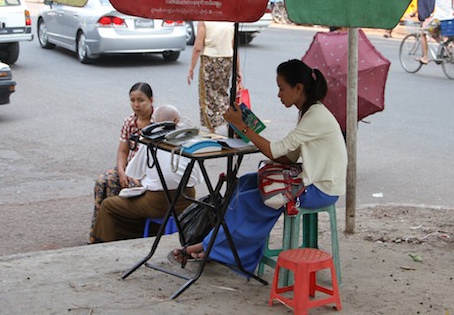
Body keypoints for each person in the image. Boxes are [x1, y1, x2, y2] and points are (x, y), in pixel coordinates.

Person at [174, 59, 347, 272]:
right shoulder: (308, 113)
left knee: (250, 199)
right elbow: (288, 157)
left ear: (299, 88)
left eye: (282, 88)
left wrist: (242, 126)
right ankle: (222, 246)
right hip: (310, 181)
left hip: (321, 189)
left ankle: (213, 247)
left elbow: (275, 152)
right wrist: (253, 137)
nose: (279, 94)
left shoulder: (315, 116)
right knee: (245, 183)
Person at [90, 105, 202, 242]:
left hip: (158, 202)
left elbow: (134, 173)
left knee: (109, 205)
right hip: (188, 199)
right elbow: (198, 178)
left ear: (154, 123)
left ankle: (104, 242)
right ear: (177, 121)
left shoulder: (150, 140)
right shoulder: (190, 139)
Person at [90, 82, 154, 240]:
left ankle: (121, 233)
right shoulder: (129, 122)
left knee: (126, 189)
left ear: (151, 100)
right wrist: (121, 171)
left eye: (141, 100)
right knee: (103, 182)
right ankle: (99, 233)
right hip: (127, 169)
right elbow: (122, 151)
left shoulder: (157, 122)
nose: (136, 105)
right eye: (132, 100)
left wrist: (129, 176)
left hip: (146, 174)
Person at [187, 21, 242, 133]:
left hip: (209, 60)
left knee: (207, 95)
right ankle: (228, 123)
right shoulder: (230, 21)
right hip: (227, 60)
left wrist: (191, 68)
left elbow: (197, 47)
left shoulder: (204, 21)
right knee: (222, 93)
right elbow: (234, 47)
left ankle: (212, 129)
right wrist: (238, 70)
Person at [416, 0, 454, 65]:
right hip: (448, 18)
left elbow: (428, 2)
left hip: (438, 19)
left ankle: (425, 57)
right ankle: (447, 49)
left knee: (423, 33)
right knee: (434, 34)